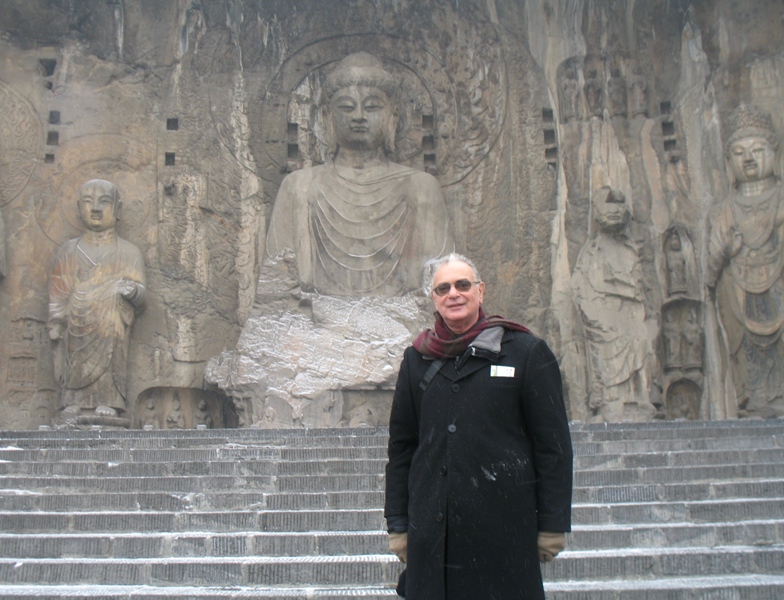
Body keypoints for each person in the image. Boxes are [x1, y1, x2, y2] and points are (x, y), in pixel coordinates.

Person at [384, 253, 573, 599]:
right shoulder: (417, 359)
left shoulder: (525, 353)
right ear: (434, 298)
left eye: (462, 285)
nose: (453, 293)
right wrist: (397, 522)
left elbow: (553, 447)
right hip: (433, 534)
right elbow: (402, 447)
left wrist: (553, 523)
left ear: (481, 291)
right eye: (443, 288)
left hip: (504, 532)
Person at [264, 51, 453, 296]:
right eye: (346, 107)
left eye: (372, 107)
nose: (359, 116)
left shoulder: (421, 186)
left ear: (392, 117)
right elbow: (276, 288)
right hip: (314, 323)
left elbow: (444, 287)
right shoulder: (299, 185)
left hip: (404, 321)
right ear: (327, 117)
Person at [706, 103, 784, 417]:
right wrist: (724, 250)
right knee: (746, 355)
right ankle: (752, 403)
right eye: (740, 152)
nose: (749, 159)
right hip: (737, 296)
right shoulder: (723, 211)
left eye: (757, 149)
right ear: (729, 161)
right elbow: (708, 278)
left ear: (774, 153)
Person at [48, 179, 146, 421]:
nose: (95, 208)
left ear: (117, 209)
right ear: (79, 208)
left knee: (112, 309)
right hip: (76, 324)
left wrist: (131, 291)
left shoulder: (128, 251)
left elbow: (143, 297)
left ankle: (109, 400)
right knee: (73, 343)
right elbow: (58, 293)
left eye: (104, 202)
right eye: (88, 202)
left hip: (111, 326)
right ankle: (71, 399)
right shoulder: (69, 251)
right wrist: (56, 321)